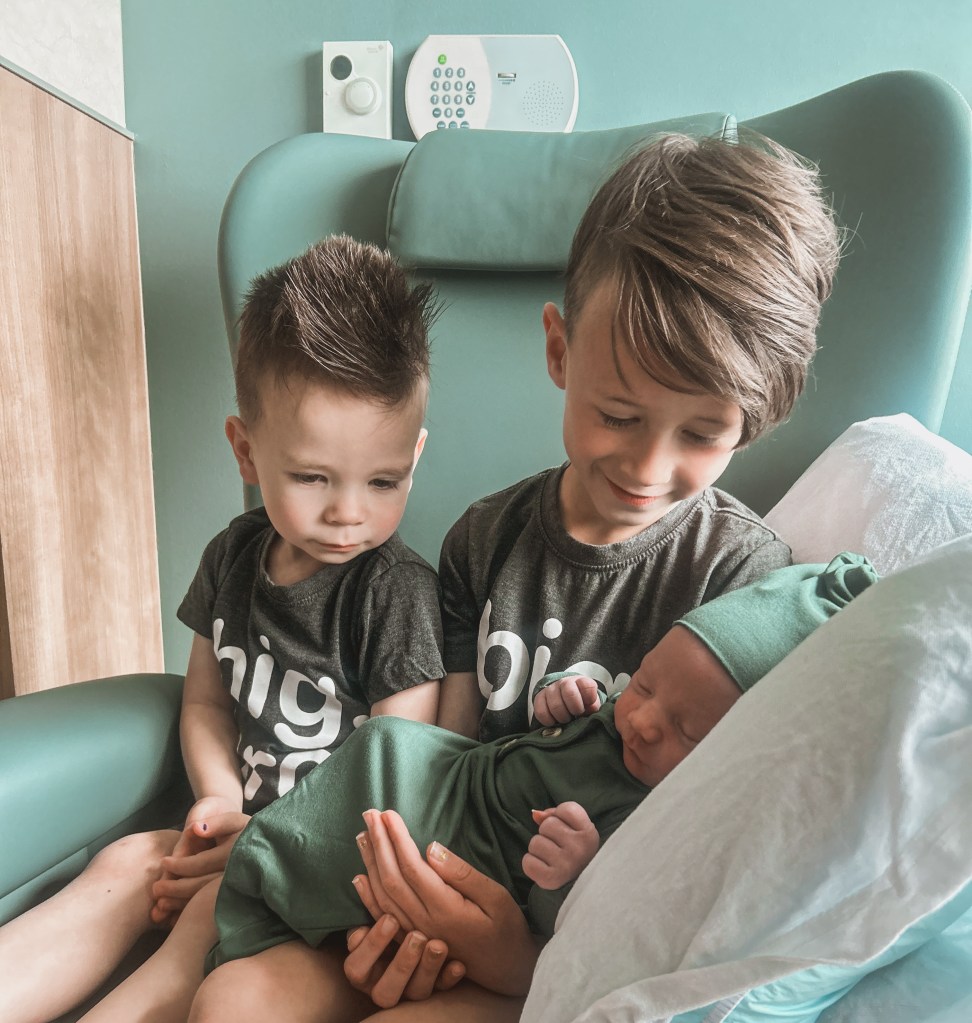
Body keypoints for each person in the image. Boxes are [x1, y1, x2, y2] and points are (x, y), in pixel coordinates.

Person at [190, 128, 845, 1022]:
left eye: (701, 434)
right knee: (231, 1002)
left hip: (570, 951)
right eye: (620, 414)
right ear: (560, 350)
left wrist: (518, 960)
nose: (648, 467)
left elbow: (708, 861)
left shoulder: (744, 581)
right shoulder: (484, 540)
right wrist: (395, 913)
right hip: (432, 886)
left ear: (753, 421)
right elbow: (440, 761)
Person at [0, 235, 446, 1023]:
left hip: (328, 872)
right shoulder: (233, 557)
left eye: (384, 480)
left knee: (203, 919)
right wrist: (216, 795)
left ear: (415, 454)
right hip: (236, 825)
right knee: (127, 861)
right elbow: (206, 700)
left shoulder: (395, 594)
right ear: (246, 450)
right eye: (312, 477)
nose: (349, 512)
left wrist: (262, 844)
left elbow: (394, 784)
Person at [185, 553, 876, 1023]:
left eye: (687, 732)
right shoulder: (493, 542)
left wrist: (572, 872)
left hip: (488, 909)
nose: (642, 721)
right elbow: (567, 717)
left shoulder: (662, 815)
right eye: (646, 683)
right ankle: (269, 863)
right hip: (441, 792)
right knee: (384, 748)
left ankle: (272, 870)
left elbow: (598, 927)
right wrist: (560, 692)